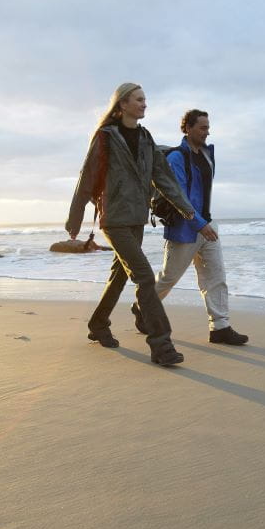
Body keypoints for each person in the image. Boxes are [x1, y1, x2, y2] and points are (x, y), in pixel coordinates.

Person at [66, 82, 195, 366]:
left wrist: (187, 211)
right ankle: (161, 346)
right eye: (139, 99)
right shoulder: (105, 137)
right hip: (114, 219)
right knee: (145, 278)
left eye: (145, 99)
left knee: (121, 274)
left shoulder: (146, 138)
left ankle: (98, 323)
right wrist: (75, 216)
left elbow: (163, 178)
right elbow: (86, 176)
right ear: (122, 104)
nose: (144, 104)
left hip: (136, 219)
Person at [133, 109, 249, 345]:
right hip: (186, 228)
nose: (207, 132)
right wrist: (198, 224)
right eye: (203, 127)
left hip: (207, 225)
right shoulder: (177, 158)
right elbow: (179, 197)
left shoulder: (206, 155)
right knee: (168, 278)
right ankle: (142, 307)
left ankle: (220, 327)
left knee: (216, 277)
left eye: (208, 127)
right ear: (188, 128)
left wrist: (205, 224)